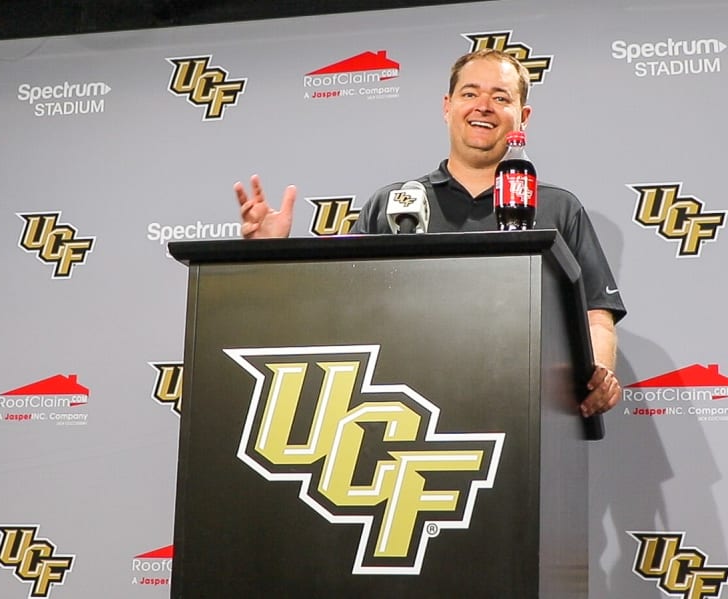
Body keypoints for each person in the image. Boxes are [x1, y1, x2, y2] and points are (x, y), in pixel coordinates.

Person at [234, 48, 626, 418]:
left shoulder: (559, 208)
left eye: (500, 98)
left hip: (526, 407)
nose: (483, 107)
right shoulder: (391, 204)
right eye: (469, 93)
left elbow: (595, 315)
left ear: (523, 115)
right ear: (447, 106)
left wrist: (599, 375)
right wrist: (270, 255)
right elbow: (336, 305)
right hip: (404, 404)